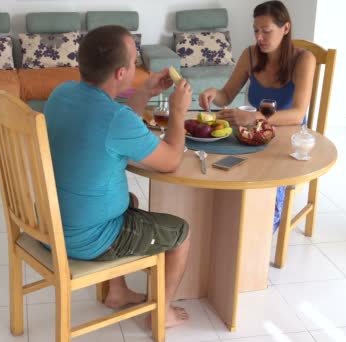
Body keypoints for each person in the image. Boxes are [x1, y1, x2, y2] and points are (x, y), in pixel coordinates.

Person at [44, 25, 193, 328]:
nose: (136, 65)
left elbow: (111, 121)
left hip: (49, 223)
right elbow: (171, 160)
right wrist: (178, 113)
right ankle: (161, 313)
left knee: (131, 200)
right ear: (121, 73)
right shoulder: (116, 120)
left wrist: (143, 93)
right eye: (134, 60)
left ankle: (118, 291)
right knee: (180, 233)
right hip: (87, 239)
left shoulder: (62, 94)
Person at [198, 0, 316, 231]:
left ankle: (258, 234)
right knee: (215, 166)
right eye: (256, 31)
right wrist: (214, 94)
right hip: (252, 135)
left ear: (286, 28)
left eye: (266, 31)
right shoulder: (250, 55)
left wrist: (256, 118)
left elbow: (298, 113)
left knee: (265, 193)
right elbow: (227, 95)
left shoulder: (304, 60)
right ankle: (227, 225)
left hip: (287, 139)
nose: (259, 37)